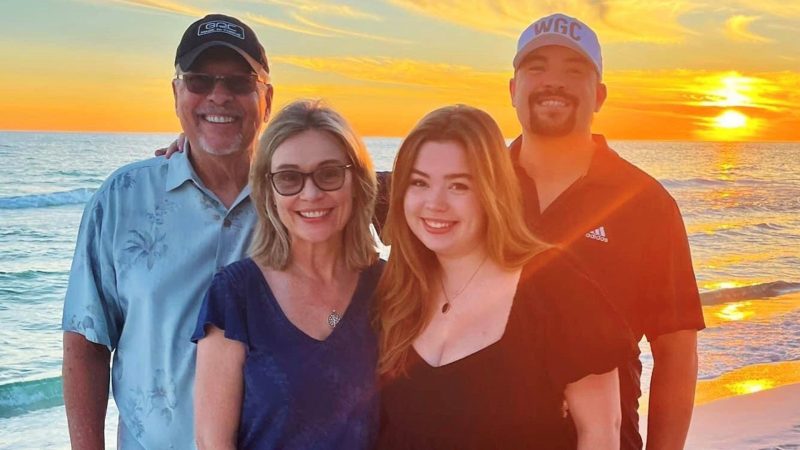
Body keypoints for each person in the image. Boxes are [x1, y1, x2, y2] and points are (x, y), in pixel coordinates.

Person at [61, 14, 273, 449]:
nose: (219, 95)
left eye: (239, 83)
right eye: (199, 80)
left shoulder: (300, 201)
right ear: (176, 93)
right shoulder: (123, 198)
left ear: (266, 99)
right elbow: (87, 343)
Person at [375, 105, 636, 449]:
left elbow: (601, 431)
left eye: (458, 186)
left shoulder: (554, 284)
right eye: (419, 182)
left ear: (492, 191)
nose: (434, 203)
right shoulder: (398, 289)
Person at [508, 13, 705, 450]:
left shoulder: (644, 202)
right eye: (537, 67)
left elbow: (675, 351)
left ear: (598, 95)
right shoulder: (477, 187)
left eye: (574, 71)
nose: (553, 82)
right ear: (513, 90)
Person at [191, 99, 382, 449]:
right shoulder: (236, 295)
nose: (311, 194)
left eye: (329, 174)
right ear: (269, 193)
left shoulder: (390, 288)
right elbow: (211, 442)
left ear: (355, 181)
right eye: (289, 178)